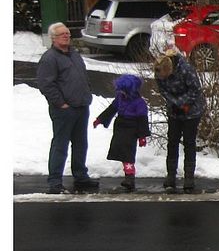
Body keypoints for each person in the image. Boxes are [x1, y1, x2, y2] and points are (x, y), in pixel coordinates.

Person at [36, 22, 100, 194]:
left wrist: (87, 94)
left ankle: (81, 177)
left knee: (81, 144)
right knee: (60, 145)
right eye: (62, 34)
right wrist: (60, 103)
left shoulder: (74, 54)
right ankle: (55, 182)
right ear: (53, 38)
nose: (66, 36)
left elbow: (82, 77)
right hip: (64, 109)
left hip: (81, 106)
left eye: (67, 34)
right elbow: (46, 84)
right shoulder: (49, 58)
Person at [153, 50, 205, 193]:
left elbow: (195, 90)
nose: (162, 78)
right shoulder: (159, 73)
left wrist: (183, 104)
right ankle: (171, 175)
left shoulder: (186, 70)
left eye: (165, 75)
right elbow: (163, 90)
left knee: (189, 142)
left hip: (192, 109)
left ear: (169, 69)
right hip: (174, 110)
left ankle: (189, 177)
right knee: (172, 141)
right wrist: (175, 104)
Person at [93, 74, 151, 192]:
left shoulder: (139, 103)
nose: (122, 93)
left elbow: (142, 120)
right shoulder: (120, 97)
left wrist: (142, 136)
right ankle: (128, 175)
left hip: (132, 128)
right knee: (120, 150)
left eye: (124, 91)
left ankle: (130, 177)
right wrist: (100, 119)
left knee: (128, 154)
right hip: (120, 127)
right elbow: (111, 109)